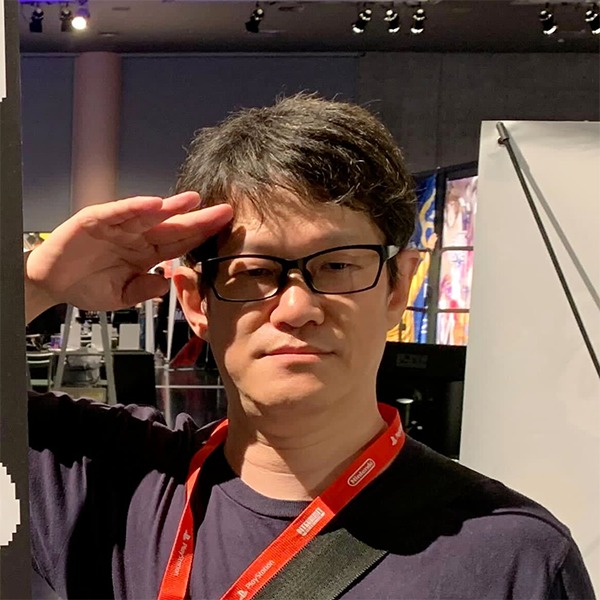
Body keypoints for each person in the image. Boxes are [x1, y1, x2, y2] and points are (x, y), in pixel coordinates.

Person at [24, 94, 594, 600]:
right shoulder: (112, 481)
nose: (297, 308)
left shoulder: (512, 556)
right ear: (196, 301)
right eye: (254, 271)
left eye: (338, 266)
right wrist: (32, 286)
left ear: (398, 288)